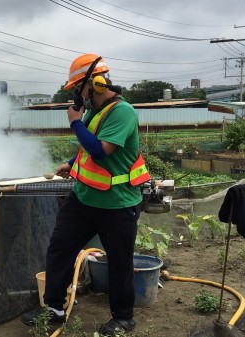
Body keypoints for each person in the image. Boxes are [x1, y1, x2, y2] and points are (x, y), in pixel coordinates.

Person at [21, 53, 150, 336]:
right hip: (84, 199)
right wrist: (71, 162)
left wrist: (75, 123)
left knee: (118, 261)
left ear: (96, 84)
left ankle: (123, 318)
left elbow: (101, 151)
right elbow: (87, 148)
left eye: (79, 89)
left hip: (117, 203)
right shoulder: (94, 111)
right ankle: (54, 307)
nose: (78, 97)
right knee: (60, 248)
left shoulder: (122, 112)